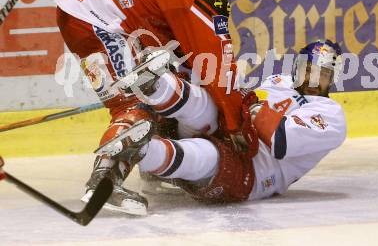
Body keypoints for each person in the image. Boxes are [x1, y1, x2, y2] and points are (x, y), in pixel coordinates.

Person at [55, 0, 252, 215]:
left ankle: (153, 167)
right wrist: (235, 123)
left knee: (161, 78)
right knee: (137, 102)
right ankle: (103, 181)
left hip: (85, 4)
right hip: (95, 16)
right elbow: (217, 64)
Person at [96, 40, 347, 204]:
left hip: (255, 173)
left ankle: (141, 150)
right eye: (310, 69)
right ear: (298, 67)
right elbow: (241, 108)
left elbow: (279, 140)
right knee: (211, 106)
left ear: (332, 78)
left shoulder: (331, 116)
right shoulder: (278, 81)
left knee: (210, 155)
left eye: (324, 74)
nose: (315, 78)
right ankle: (157, 86)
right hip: (238, 132)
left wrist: (251, 106)